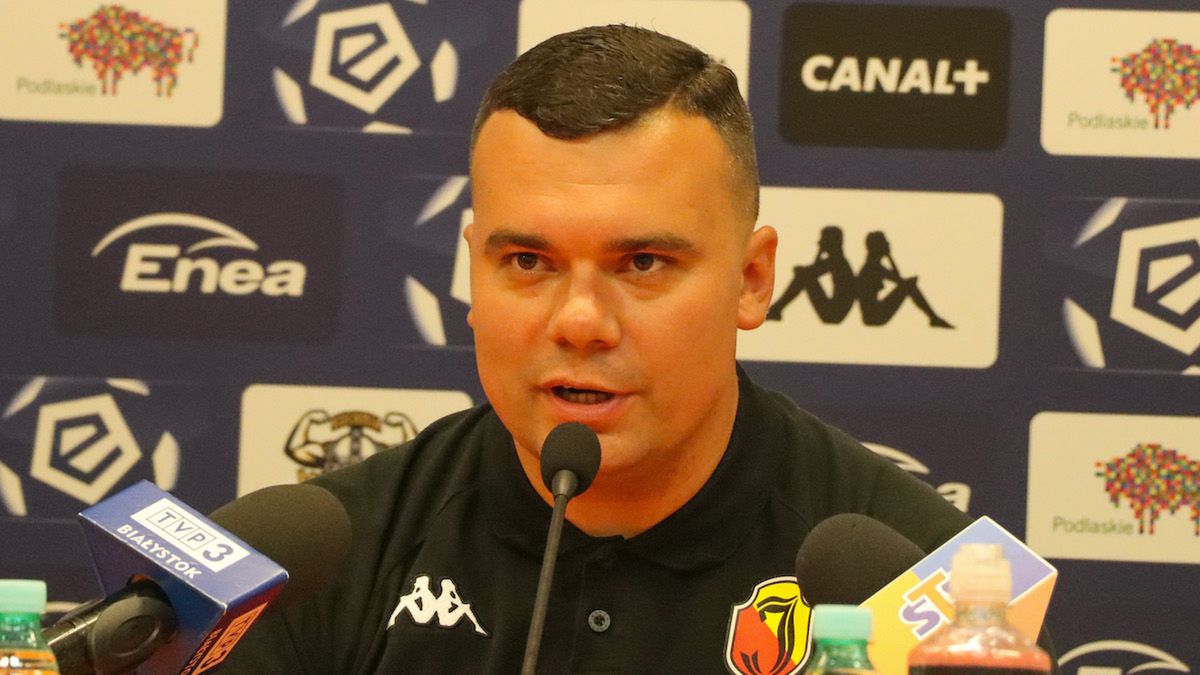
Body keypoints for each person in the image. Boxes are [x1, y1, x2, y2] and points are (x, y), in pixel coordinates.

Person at [219, 25, 994, 674]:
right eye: (528, 261)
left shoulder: (933, 594)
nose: (581, 321)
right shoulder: (315, 570)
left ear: (753, 280)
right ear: (473, 273)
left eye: (642, 263)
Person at [765, 225, 856, 323]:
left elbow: (811, 271)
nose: (819, 242)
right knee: (804, 275)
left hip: (833, 314)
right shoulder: (837, 260)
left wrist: (819, 252)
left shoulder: (837, 261)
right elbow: (813, 270)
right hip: (833, 312)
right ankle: (777, 308)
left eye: (823, 239)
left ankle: (777, 308)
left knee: (803, 276)